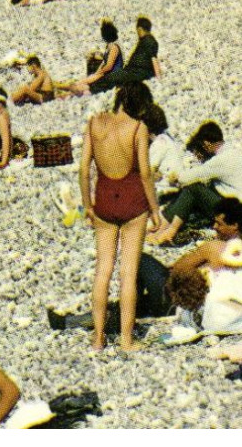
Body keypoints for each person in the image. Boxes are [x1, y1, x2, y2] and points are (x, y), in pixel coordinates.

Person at [80, 82, 162, 350]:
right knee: (128, 274)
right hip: (132, 201)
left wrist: (87, 205)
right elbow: (145, 173)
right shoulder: (139, 128)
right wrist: (155, 210)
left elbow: (83, 171)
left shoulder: (94, 123)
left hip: (104, 199)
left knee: (102, 271)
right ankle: (126, 340)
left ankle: (98, 338)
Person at [148, 121, 242, 245]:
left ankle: (165, 230)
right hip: (241, 207)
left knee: (193, 188)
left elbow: (191, 177)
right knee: (195, 195)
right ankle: (163, 227)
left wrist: (175, 177)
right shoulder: (233, 153)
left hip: (235, 212)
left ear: (206, 144)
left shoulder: (222, 159)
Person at [92, 16, 161, 92]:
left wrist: (159, 79)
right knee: (114, 76)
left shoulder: (149, 41)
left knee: (112, 77)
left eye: (137, 30)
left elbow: (154, 59)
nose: (137, 33)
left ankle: (91, 89)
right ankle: (93, 87)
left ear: (140, 29)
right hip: (133, 70)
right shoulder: (145, 40)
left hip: (138, 72)